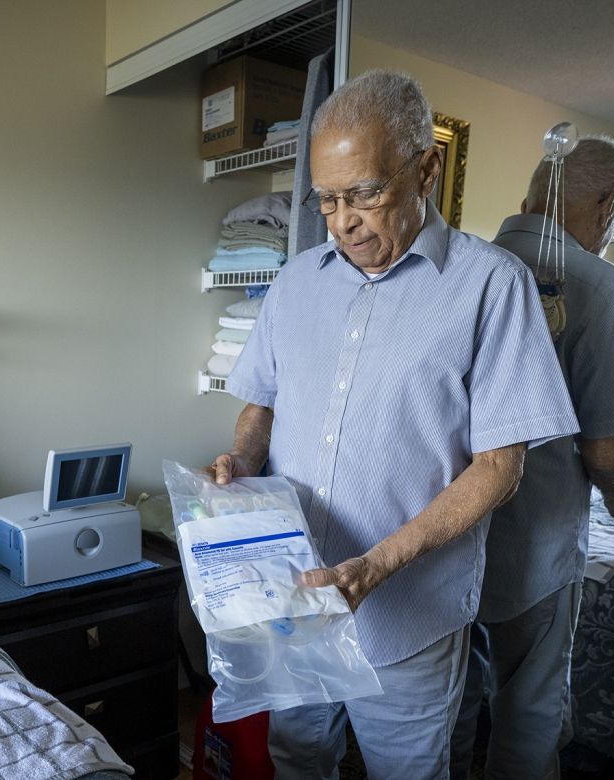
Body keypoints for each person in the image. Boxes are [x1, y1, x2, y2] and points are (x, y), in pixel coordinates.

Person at [208, 69, 580, 779]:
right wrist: (239, 463)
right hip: (298, 601)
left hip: (411, 614)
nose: (343, 220)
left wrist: (375, 566)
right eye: (325, 200)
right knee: (297, 761)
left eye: (365, 193)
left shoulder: (492, 286)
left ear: (426, 168)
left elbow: (501, 467)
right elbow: (261, 403)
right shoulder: (295, 283)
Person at [450, 136, 614, 779]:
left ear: (528, 197)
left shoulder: (458, 267)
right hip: (533, 543)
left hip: (442, 531)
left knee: (451, 694)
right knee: (529, 705)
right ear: (609, 206)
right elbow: (608, 452)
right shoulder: (598, 285)